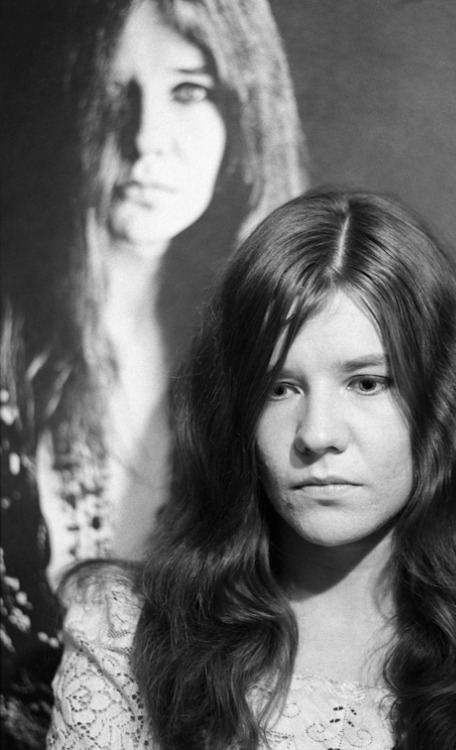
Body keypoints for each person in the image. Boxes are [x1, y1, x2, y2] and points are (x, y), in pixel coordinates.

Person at [46, 189, 456, 749]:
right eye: (279, 389)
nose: (317, 435)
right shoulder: (125, 631)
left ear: (443, 396)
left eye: (366, 383)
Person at [1, 0, 306, 744]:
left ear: (245, 114)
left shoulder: (278, 359)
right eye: (111, 93)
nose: (145, 141)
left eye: (190, 91)